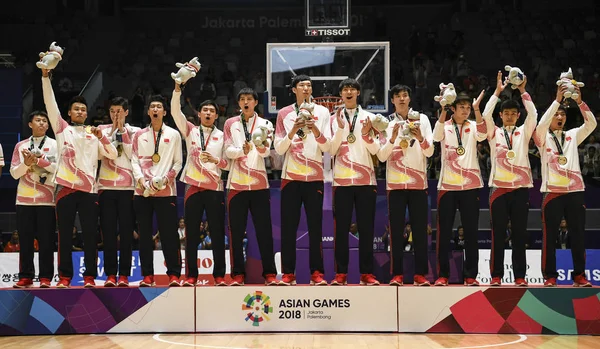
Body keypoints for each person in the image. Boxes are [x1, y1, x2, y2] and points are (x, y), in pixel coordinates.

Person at [41, 68, 118, 288]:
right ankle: (65, 278)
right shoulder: (61, 130)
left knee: (91, 237)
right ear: (69, 113)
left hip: (89, 191)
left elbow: (112, 154)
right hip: (65, 188)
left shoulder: (94, 134)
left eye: (84, 109)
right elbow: (50, 103)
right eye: (76, 109)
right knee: (64, 236)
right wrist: (45, 77)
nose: (81, 112)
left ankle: (90, 277)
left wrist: (102, 137)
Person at [534, 84, 595, 287]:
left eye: (562, 114)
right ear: (551, 116)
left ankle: (579, 276)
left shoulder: (572, 136)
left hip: (575, 192)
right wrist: (557, 101)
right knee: (549, 237)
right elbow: (541, 124)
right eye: (556, 114)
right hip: (552, 192)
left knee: (577, 235)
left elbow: (592, 124)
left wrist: (579, 102)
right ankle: (550, 276)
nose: (559, 117)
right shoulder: (542, 138)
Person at [274, 75, 331, 286]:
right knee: (289, 227)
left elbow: (327, 147)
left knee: (315, 227)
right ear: (294, 90)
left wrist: (314, 128)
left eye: (309, 85)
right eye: (302, 85)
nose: (306, 88)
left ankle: (317, 273)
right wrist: (293, 130)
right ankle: (288, 274)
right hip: (290, 178)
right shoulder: (284, 114)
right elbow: (279, 149)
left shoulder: (323, 112)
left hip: (315, 178)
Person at [482, 71, 537, 287]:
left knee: (519, 234)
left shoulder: (524, 133)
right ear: (501, 115)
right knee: (497, 234)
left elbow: (534, 115)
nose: (510, 116)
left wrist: (523, 90)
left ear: (518, 116)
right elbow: (485, 114)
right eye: (506, 113)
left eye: (514, 113)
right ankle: (496, 275)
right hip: (498, 190)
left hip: (521, 189)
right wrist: (497, 92)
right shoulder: (493, 132)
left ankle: (520, 276)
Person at [172, 81, 228, 286]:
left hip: (214, 188)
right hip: (193, 187)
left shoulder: (222, 136)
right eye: (204, 110)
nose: (207, 113)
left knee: (217, 231)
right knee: (192, 233)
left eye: (211, 111)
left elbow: (228, 164)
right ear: (199, 114)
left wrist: (216, 161)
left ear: (216, 115)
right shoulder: (190, 130)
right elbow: (175, 112)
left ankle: (220, 275)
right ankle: (191, 276)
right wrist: (177, 90)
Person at [377, 84, 434, 286]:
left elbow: (430, 152)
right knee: (396, 231)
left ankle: (420, 275)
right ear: (392, 101)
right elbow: (382, 156)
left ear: (409, 98)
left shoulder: (422, 119)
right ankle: (397, 275)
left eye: (405, 95)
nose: (402, 99)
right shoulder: (385, 123)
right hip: (395, 185)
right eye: (397, 96)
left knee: (419, 231)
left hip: (418, 183)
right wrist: (392, 138)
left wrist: (419, 137)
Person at [432, 90, 489, 286]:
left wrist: (477, 110)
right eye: (461, 107)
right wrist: (442, 110)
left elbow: (483, 135)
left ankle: (471, 275)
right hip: (447, 186)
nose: (465, 111)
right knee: (444, 232)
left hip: (471, 186)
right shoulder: (444, 126)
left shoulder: (473, 126)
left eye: (467, 108)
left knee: (471, 232)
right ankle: (443, 275)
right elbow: (435, 135)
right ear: (453, 109)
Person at [224, 87, 277, 286]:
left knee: (264, 231)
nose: (246, 102)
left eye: (249, 99)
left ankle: (270, 274)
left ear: (255, 102)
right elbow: (228, 151)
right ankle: (237, 274)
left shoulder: (265, 124)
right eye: (242, 99)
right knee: (236, 233)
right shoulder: (230, 123)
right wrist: (241, 150)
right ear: (239, 103)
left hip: (259, 186)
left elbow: (265, 154)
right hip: (236, 185)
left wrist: (260, 146)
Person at [329, 78, 380, 286]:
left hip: (366, 181)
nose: (348, 92)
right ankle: (340, 274)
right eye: (345, 89)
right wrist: (341, 130)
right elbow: (330, 150)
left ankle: (366, 274)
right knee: (340, 229)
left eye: (352, 89)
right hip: (341, 182)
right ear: (340, 95)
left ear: (358, 93)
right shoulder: (333, 119)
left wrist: (368, 135)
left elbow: (378, 152)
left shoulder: (371, 118)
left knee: (366, 229)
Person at [131, 95, 183, 287]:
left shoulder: (174, 134)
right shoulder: (139, 135)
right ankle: (147, 276)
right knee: (144, 236)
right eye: (152, 106)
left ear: (164, 112)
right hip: (142, 192)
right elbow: (134, 161)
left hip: (166, 192)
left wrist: (166, 179)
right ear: (148, 111)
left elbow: (178, 162)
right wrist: (142, 181)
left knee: (169, 234)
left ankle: (174, 275)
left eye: (159, 106)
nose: (155, 109)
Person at [10, 111, 58, 288]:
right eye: (38, 120)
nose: (42, 123)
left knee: (46, 240)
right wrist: (27, 164)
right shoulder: (20, 145)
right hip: (24, 199)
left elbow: (58, 170)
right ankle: (25, 276)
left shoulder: (55, 144)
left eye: (45, 121)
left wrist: (41, 161)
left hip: (47, 200)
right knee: (25, 240)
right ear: (30, 124)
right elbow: (14, 173)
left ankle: (46, 277)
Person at [97, 97, 140, 287]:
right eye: (113, 111)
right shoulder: (101, 131)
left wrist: (122, 132)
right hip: (105, 187)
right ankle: (109, 274)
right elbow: (99, 155)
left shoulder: (136, 132)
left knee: (125, 233)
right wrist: (111, 134)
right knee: (108, 232)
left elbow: (133, 156)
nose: (116, 114)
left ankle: (123, 275)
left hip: (128, 187)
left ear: (126, 112)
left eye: (119, 111)